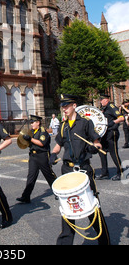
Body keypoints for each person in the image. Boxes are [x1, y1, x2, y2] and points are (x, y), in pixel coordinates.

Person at [50, 94, 110, 245]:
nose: (64, 109)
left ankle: (104, 241)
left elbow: (97, 143)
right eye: (62, 106)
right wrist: (52, 154)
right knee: (67, 208)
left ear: (74, 106)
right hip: (67, 171)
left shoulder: (85, 123)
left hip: (83, 169)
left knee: (92, 206)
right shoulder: (63, 126)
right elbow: (58, 145)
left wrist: (94, 147)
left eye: (66, 106)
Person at [16, 115, 57, 204]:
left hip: (42, 156)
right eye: (31, 123)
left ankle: (58, 191)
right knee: (31, 176)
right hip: (33, 156)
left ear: (38, 123)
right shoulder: (31, 132)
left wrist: (30, 139)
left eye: (32, 122)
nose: (31, 124)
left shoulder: (43, 132)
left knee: (49, 175)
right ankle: (26, 196)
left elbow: (41, 143)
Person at [96, 94, 124, 181]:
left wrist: (113, 122)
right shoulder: (104, 109)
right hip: (105, 133)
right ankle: (105, 173)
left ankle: (121, 173)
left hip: (112, 133)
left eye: (101, 100)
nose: (100, 102)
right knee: (102, 152)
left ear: (106, 100)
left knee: (113, 153)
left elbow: (121, 117)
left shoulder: (111, 106)